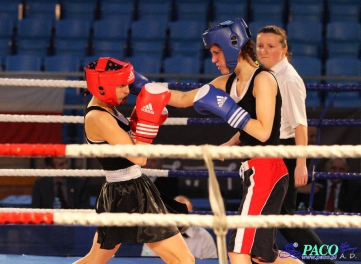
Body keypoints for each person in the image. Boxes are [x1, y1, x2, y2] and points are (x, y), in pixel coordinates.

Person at [131, 18, 301, 264]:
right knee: (263, 257)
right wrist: (143, 88)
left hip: (268, 169)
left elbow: (264, 131)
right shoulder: (228, 82)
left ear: (232, 46)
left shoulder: (264, 79)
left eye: (216, 53)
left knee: (238, 251)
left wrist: (228, 110)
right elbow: (184, 98)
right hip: (256, 170)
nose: (213, 60)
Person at [73, 57, 194, 264]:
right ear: (102, 86)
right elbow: (139, 157)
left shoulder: (108, 108)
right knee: (184, 260)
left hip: (129, 188)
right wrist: (148, 122)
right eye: (121, 85)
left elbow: (129, 143)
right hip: (127, 191)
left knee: (94, 260)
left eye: (127, 84)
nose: (127, 90)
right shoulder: (99, 117)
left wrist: (143, 116)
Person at [256, 25, 335, 264]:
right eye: (260, 45)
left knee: (282, 216)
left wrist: (301, 164)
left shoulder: (288, 78)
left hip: (284, 151)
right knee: (269, 213)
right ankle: (263, 257)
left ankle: (325, 262)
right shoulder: (267, 75)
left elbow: (301, 125)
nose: (264, 51)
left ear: (284, 49)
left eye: (271, 46)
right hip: (270, 149)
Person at [141, 195, 218, 259]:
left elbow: (211, 262)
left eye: (184, 213)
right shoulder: (154, 235)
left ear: (192, 215)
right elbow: (147, 261)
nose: (179, 218)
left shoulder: (204, 237)